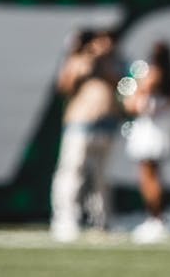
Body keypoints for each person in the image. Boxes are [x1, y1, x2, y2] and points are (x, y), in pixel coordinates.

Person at [50, 28, 123, 242]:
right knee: (72, 172)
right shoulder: (78, 61)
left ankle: (102, 220)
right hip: (81, 124)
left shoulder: (114, 63)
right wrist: (87, 61)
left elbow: (121, 84)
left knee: (103, 177)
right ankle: (65, 218)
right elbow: (65, 86)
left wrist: (105, 63)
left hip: (107, 125)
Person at [124, 40, 170, 244]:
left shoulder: (153, 74)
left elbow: (136, 104)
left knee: (148, 177)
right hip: (160, 129)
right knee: (154, 175)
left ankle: (156, 218)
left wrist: (134, 92)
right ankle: (158, 218)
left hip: (150, 131)